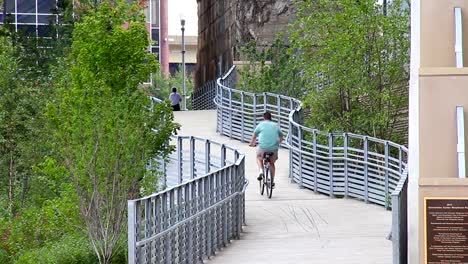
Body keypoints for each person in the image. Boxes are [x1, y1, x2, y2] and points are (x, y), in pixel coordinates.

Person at [249, 111, 284, 187]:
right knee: (272, 163)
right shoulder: (275, 125)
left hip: (262, 148)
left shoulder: (260, 125)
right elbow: (281, 137)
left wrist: (251, 143)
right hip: (273, 148)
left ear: (263, 118)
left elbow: (254, 136)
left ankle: (261, 170)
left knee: (258, 158)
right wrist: (278, 143)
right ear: (271, 118)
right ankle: (272, 181)